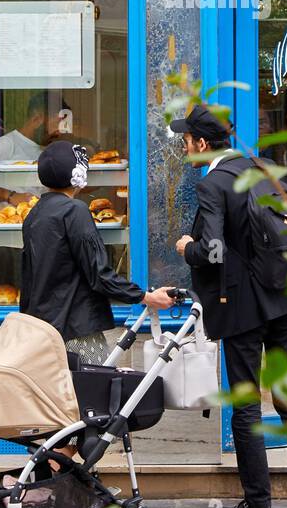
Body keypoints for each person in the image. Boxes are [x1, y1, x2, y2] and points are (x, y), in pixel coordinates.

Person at [171, 103, 287, 508]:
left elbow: (214, 251)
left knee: (246, 404)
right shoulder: (267, 170)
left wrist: (188, 248)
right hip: (286, 298)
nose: (185, 148)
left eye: (186, 141)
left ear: (203, 144)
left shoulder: (213, 185)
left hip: (242, 307)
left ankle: (258, 504)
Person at [21, 141, 174, 368]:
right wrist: (146, 297)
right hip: (76, 330)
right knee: (92, 396)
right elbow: (99, 273)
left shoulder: (34, 213)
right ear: (76, 175)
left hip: (41, 331)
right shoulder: (75, 211)